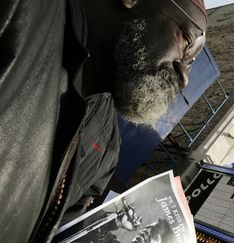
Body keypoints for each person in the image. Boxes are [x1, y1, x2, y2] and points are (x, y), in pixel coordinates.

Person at [0, 0, 207, 242]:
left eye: (190, 61)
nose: (184, 77)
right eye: (186, 40)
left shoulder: (107, 147)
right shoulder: (25, 11)